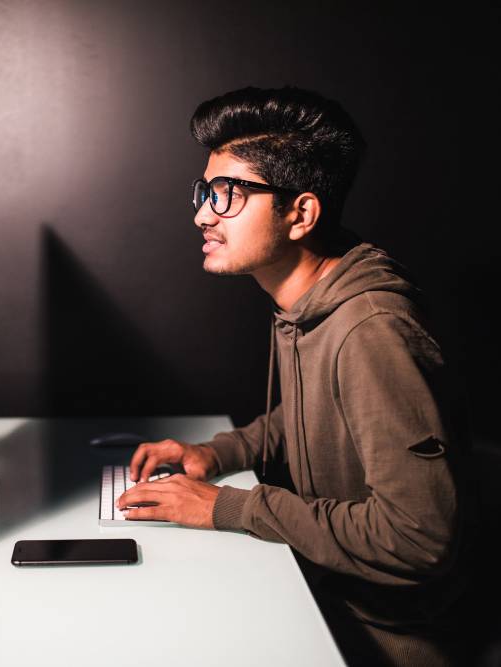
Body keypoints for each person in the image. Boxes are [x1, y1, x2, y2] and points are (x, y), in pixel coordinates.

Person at [116, 86, 473, 666]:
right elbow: (323, 416)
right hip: (324, 588)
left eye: (228, 195)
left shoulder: (370, 330)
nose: (203, 213)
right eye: (206, 192)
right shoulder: (308, 301)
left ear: (301, 213)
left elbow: (418, 538)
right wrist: (220, 454)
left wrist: (226, 508)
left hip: (383, 633)